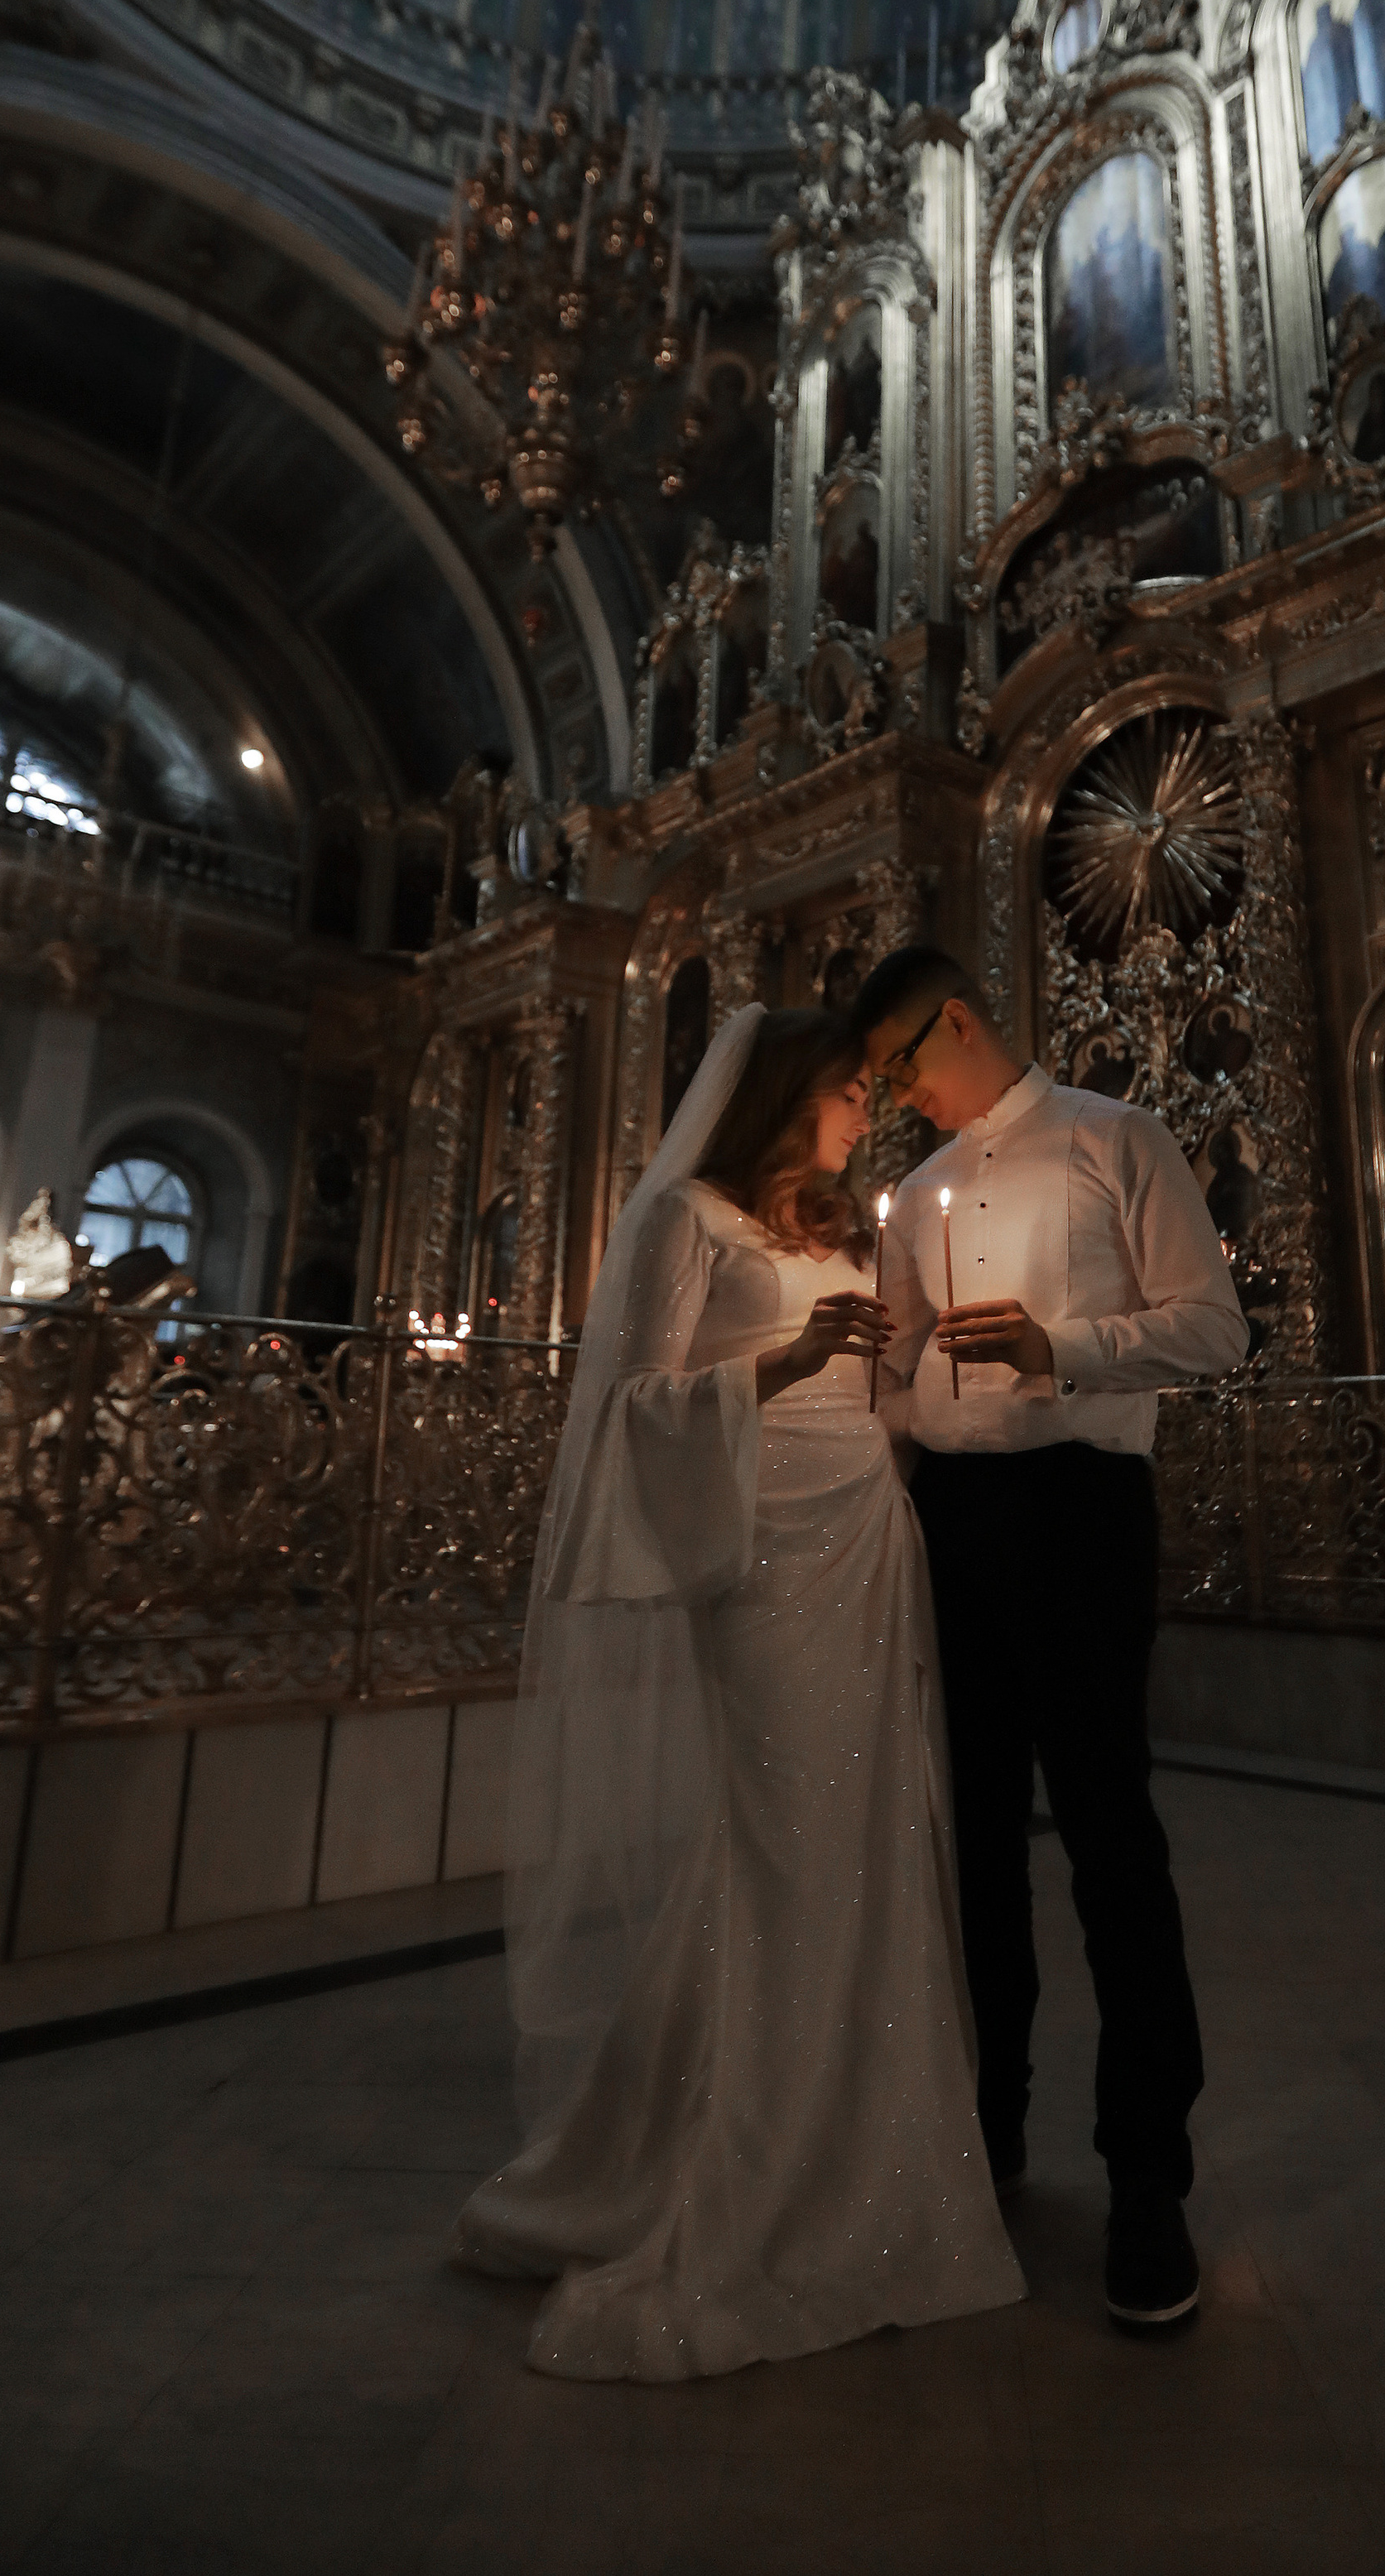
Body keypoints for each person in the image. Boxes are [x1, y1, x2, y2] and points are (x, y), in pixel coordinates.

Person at [454, 1003, 1025, 2377]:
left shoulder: (846, 1221)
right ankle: (738, 2167)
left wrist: (924, 1332)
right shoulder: (688, 1224)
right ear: (787, 1091)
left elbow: (883, 1381)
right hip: (763, 1546)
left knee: (879, 1836)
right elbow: (630, 1407)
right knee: (783, 1840)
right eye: (842, 1092)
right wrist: (789, 1354)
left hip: (868, 1530)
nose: (857, 1115)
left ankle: (868, 2158)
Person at [850, 946, 1249, 2332]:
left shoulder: (1113, 1137)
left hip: (1081, 1507)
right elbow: (901, 1380)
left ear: (956, 1017)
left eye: (904, 1058)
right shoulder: (909, 1197)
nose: (897, 1090)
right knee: (967, 1836)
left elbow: (1216, 1329)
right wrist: (838, 1411)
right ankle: (987, 2123)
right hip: (948, 1518)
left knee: (1106, 1828)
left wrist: (1057, 1345)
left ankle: (1149, 2173)